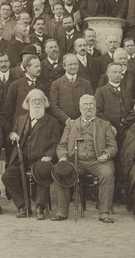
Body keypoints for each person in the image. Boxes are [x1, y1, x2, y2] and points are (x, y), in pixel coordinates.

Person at [51, 95, 118, 223]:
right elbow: (62, 145)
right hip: (76, 161)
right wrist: (63, 157)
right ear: (80, 108)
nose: (88, 107)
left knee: (108, 174)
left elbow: (112, 146)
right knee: (61, 172)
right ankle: (62, 211)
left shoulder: (104, 124)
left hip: (97, 160)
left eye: (91, 104)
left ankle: (104, 213)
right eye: (85, 105)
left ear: (95, 107)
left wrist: (107, 154)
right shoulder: (71, 125)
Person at [2, 89, 60, 219]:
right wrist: (12, 135)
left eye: (40, 100)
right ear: (27, 103)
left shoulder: (52, 122)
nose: (37, 103)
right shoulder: (21, 119)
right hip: (22, 159)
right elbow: (12, 134)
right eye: (34, 100)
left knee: (43, 171)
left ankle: (40, 207)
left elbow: (56, 143)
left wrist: (50, 156)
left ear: (45, 103)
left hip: (41, 159)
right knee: (7, 176)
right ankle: (22, 206)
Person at [49, 53, 93, 127]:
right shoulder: (56, 84)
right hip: (63, 125)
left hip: (83, 124)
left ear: (78, 66)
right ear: (64, 66)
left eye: (75, 64)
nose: (73, 67)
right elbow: (54, 107)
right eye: (70, 64)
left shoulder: (86, 83)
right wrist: (67, 120)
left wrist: (81, 120)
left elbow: (91, 104)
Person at [95, 63, 135, 132]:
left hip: (127, 128)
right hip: (109, 129)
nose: (118, 75)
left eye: (120, 72)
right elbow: (97, 111)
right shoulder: (101, 91)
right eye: (115, 72)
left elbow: (130, 108)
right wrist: (109, 125)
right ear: (107, 73)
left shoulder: (126, 91)